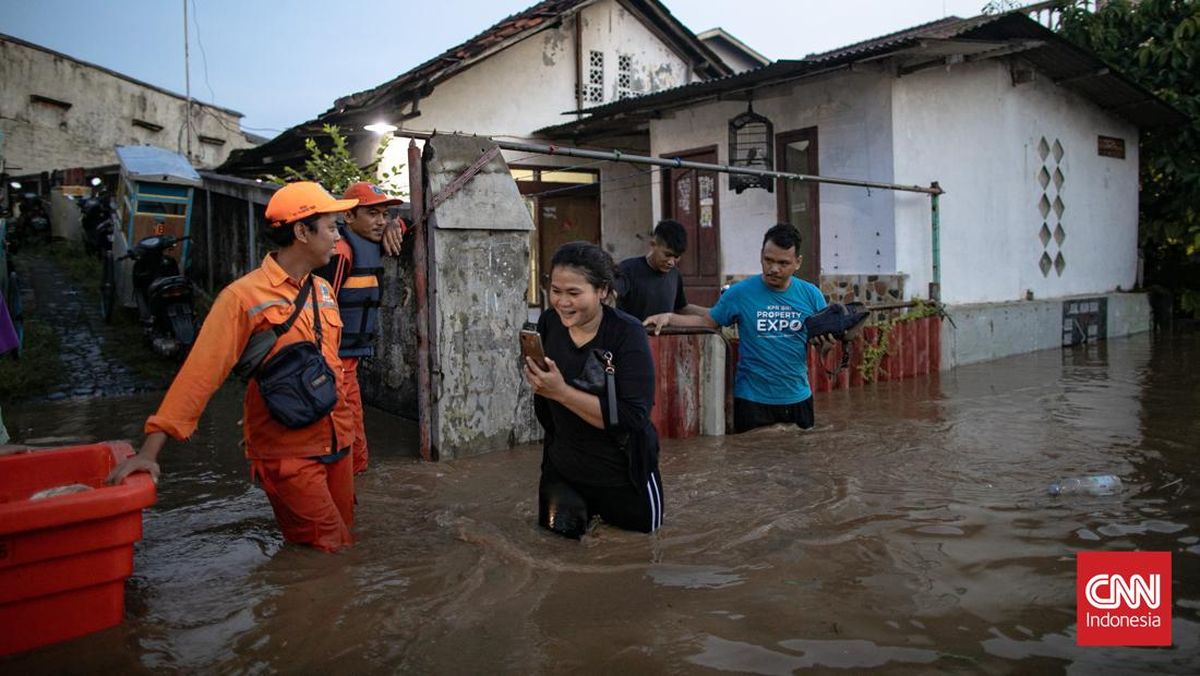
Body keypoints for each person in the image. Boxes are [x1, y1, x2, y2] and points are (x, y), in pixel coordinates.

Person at [106, 181, 361, 553]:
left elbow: (327, 367)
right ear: (302, 231)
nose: (338, 238)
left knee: (344, 541)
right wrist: (149, 451)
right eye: (332, 227)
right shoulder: (242, 298)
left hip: (338, 440)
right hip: (288, 453)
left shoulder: (322, 290)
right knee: (329, 550)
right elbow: (200, 373)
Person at [524, 241, 664, 538]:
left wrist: (561, 392)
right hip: (564, 470)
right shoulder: (549, 323)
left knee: (637, 560)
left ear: (602, 291)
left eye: (574, 293)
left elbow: (633, 416)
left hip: (624, 476)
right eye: (556, 291)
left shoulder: (627, 333)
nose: (562, 302)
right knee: (554, 556)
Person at [645, 223, 834, 433]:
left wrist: (827, 346)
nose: (773, 269)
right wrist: (670, 317)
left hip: (798, 397)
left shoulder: (811, 295)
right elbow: (708, 322)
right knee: (748, 460)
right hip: (752, 399)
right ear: (761, 255)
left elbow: (824, 346)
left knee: (803, 462)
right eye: (768, 260)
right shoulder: (739, 293)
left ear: (797, 262)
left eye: (783, 263)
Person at [314, 181, 405, 475]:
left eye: (384, 214)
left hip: (348, 358)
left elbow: (408, 223)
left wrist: (398, 225)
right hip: (334, 361)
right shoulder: (340, 253)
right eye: (373, 214)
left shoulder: (372, 238)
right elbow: (318, 309)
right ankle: (351, 490)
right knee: (346, 424)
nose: (381, 221)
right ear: (349, 217)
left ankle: (353, 489)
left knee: (349, 425)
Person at [614, 219, 707, 321]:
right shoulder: (627, 270)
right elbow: (611, 299)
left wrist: (714, 313)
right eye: (667, 255)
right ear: (653, 245)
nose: (671, 262)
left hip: (665, 336)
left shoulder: (675, 274)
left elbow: (680, 308)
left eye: (676, 257)